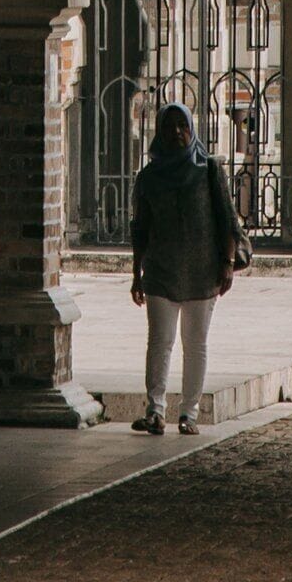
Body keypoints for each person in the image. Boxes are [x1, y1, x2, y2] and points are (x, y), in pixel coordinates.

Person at [123, 100, 243, 436]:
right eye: (169, 126)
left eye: (183, 126)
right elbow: (140, 227)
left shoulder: (208, 170)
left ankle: (189, 413)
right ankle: (155, 411)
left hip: (203, 271)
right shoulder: (148, 177)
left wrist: (228, 264)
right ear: (159, 132)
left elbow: (226, 220)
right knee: (159, 342)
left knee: (196, 343)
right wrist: (136, 273)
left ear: (192, 129)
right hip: (160, 270)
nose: (177, 132)